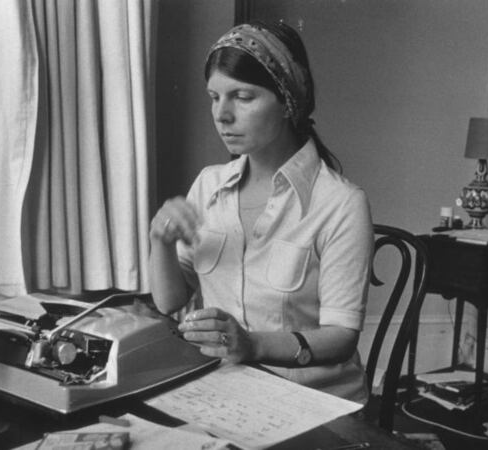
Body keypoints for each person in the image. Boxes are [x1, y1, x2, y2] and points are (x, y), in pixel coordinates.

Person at [148, 21, 373, 403]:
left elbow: (341, 337)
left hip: (311, 402)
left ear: (287, 102)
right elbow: (169, 302)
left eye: (243, 97)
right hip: (223, 390)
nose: (222, 114)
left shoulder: (341, 203)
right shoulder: (208, 184)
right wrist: (160, 240)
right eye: (214, 97)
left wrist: (251, 345)